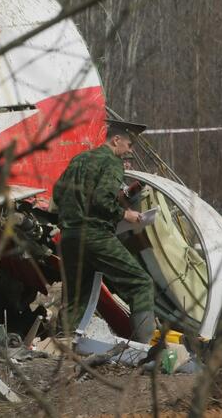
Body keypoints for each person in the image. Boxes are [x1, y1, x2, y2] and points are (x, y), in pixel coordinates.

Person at [53, 119, 156, 343]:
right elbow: (101, 199)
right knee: (141, 284)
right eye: (129, 145)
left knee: (76, 296)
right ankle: (144, 350)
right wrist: (126, 214)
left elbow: (57, 194)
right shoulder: (112, 162)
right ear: (116, 139)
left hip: (69, 237)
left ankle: (62, 347)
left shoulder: (79, 159)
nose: (130, 150)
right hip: (95, 235)